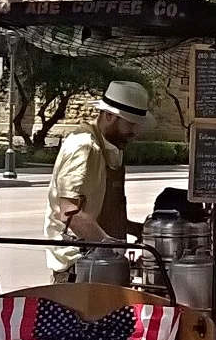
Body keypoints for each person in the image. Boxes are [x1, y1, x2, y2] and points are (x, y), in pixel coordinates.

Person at [44, 81, 148, 282]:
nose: (135, 132)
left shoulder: (106, 148)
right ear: (109, 115)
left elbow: (98, 212)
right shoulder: (84, 147)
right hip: (80, 267)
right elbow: (70, 213)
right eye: (130, 124)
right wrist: (112, 247)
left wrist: (136, 229)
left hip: (99, 262)